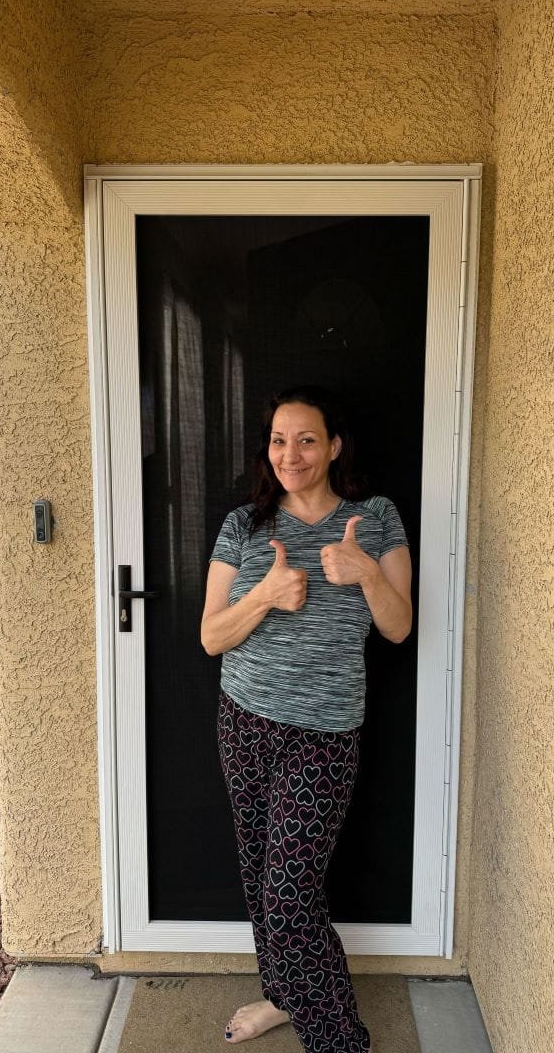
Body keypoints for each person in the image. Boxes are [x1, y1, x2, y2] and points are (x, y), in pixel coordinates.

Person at [201, 385, 412, 1052]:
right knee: (261, 874)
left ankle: (341, 1042)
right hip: (245, 721)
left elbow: (400, 627)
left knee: (291, 893)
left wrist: (367, 573)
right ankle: (279, 996)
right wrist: (263, 594)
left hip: (324, 735)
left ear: (334, 445)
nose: (290, 454)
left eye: (307, 439)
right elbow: (210, 637)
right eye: (278, 440)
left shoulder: (374, 519)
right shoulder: (244, 526)